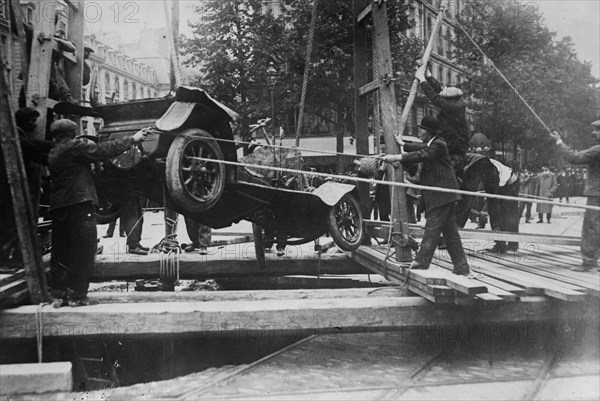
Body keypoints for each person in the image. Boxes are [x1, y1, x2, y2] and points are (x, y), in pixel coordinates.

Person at [47, 119, 148, 307]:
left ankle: (58, 295)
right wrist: (133, 138)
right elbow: (105, 150)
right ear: (72, 134)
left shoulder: (54, 150)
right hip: (79, 204)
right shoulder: (74, 147)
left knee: (61, 249)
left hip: (59, 206)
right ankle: (77, 295)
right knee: (85, 248)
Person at [383, 116, 470, 276]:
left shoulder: (438, 145)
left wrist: (396, 157)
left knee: (432, 228)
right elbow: (420, 147)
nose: (420, 132)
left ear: (429, 132)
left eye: (422, 129)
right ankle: (461, 266)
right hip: (445, 195)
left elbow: (421, 154)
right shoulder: (434, 143)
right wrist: (402, 144)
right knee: (450, 233)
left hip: (441, 195)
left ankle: (422, 261)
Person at [0, 108, 54, 271]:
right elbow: (31, 147)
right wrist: (58, 144)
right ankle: (3, 261)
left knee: (11, 223)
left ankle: (11, 259)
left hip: (10, 186)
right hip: (8, 188)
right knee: (10, 223)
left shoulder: (19, 135)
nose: (35, 124)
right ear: (22, 121)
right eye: (31, 120)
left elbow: (34, 155)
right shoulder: (15, 135)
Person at [550, 121, 600, 272]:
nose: (593, 133)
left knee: (591, 228)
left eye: (597, 130)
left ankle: (589, 262)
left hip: (596, 193)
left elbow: (574, 158)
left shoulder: (597, 150)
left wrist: (559, 142)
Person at [415, 63, 470, 178]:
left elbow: (436, 98)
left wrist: (422, 80)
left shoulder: (453, 107)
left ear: (450, 100)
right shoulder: (455, 103)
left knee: (447, 173)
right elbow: (439, 90)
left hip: (455, 147)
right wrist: (428, 76)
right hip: (453, 143)